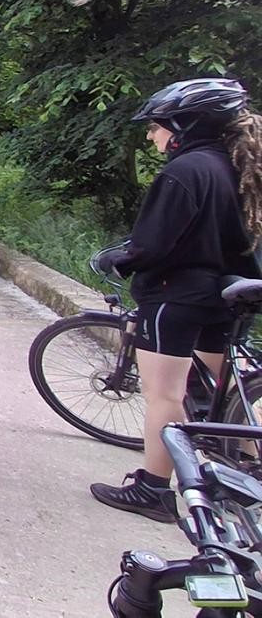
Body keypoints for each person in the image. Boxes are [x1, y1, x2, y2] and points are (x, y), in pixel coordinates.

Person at [90, 78, 262, 522]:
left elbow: (152, 244)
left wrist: (120, 258)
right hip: (225, 295)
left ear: (183, 125)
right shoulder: (236, 166)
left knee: (165, 395)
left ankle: (153, 490)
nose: (152, 135)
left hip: (175, 296)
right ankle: (247, 469)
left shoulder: (183, 172)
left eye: (156, 126)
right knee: (220, 395)